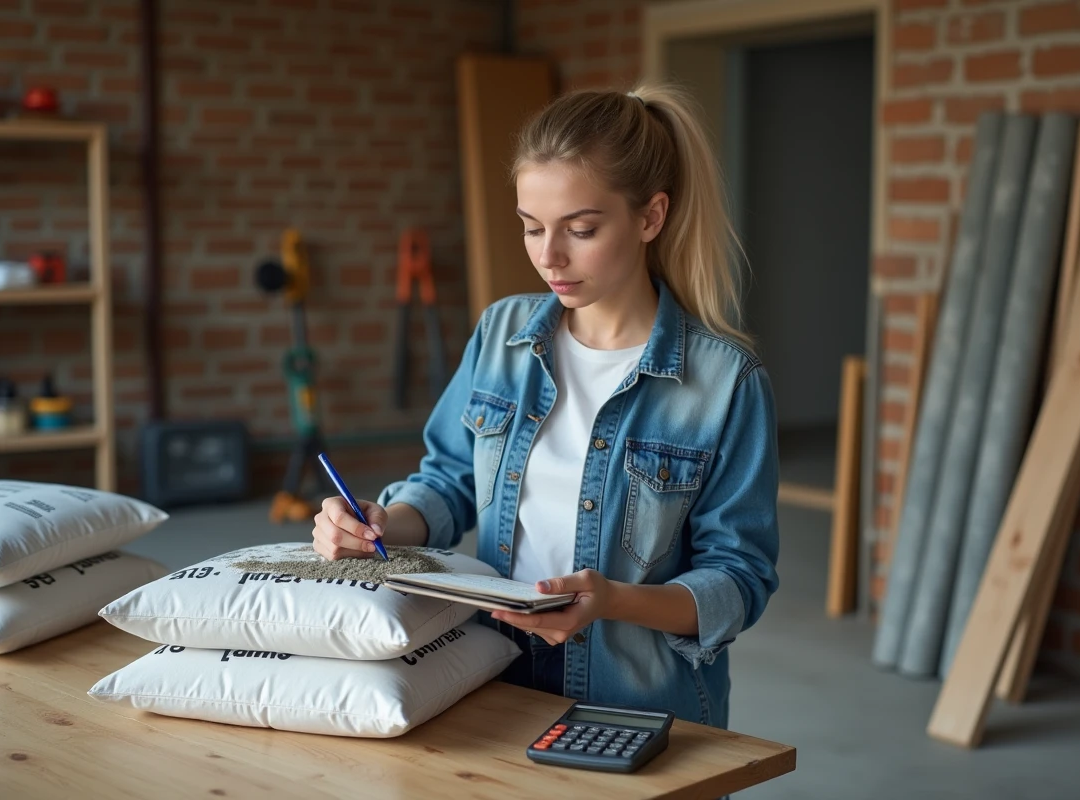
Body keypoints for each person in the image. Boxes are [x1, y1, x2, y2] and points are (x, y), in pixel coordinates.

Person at [312, 82, 780, 729]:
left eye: (581, 230)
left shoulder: (726, 381)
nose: (548, 256)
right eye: (532, 227)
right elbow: (448, 482)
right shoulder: (502, 334)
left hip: (636, 706)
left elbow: (738, 580)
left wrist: (611, 601)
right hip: (489, 680)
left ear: (650, 217)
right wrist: (381, 524)